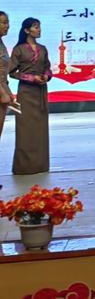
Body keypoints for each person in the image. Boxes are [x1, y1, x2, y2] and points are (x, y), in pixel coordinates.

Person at [8, 17, 52, 175]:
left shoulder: (43, 49)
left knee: (40, 129)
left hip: (40, 92)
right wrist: (31, 78)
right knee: (25, 129)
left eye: (39, 26)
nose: (38, 29)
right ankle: (24, 167)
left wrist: (46, 76)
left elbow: (47, 68)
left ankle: (40, 165)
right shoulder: (18, 49)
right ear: (26, 30)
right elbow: (12, 72)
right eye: (35, 27)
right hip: (26, 92)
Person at [0, 11, 15, 188]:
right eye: (3, 22)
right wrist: (2, 93)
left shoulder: (2, 44)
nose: (7, 26)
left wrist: (8, 92)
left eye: (7, 22)